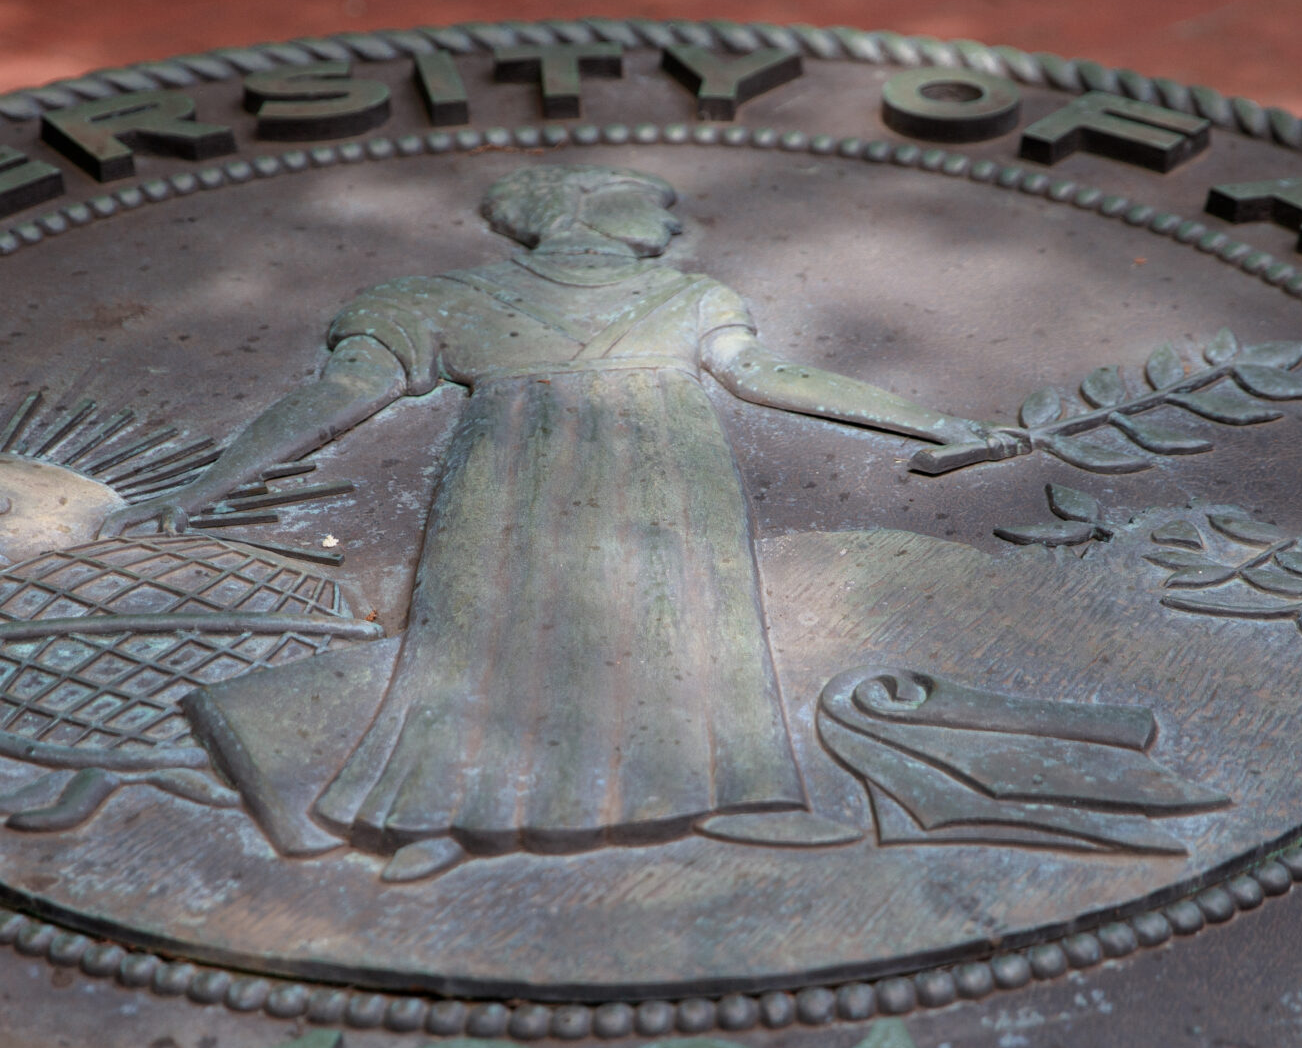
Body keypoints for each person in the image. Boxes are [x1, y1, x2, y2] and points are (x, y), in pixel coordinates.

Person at [122, 163, 1002, 881]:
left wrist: (935, 424)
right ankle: (444, 814)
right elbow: (342, 393)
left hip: (671, 478)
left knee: (686, 632)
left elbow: (767, 378)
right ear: (581, 207)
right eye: (643, 199)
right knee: (486, 637)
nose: (665, 217)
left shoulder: (690, 297)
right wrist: (202, 487)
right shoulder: (433, 298)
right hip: (511, 474)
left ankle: (733, 800)